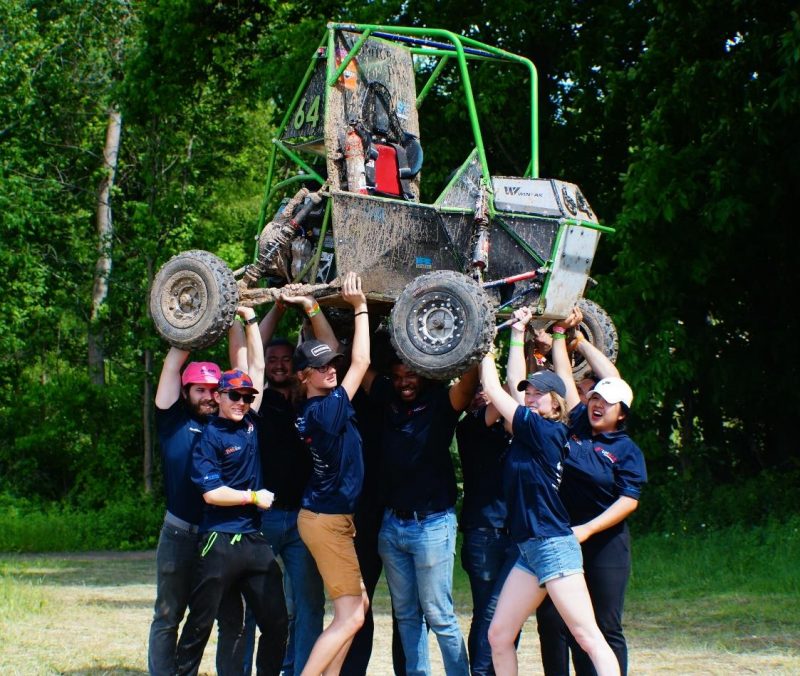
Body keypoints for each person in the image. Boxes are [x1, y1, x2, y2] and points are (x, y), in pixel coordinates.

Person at [480, 307, 620, 676]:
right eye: (530, 392)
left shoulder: (546, 431)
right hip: (530, 546)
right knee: (499, 635)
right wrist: (517, 332)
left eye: (539, 393)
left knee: (588, 637)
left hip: (553, 545)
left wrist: (480, 344)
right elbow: (513, 385)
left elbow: (496, 389)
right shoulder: (527, 432)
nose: (530, 396)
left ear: (556, 402)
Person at [174, 307, 288, 676]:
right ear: (219, 398)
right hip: (219, 541)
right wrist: (253, 497)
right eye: (234, 396)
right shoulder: (208, 438)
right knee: (202, 624)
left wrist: (250, 320)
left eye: (247, 397)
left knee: (276, 624)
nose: (242, 402)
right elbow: (212, 494)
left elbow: (256, 365)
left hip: (254, 541)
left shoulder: (251, 423)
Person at [535, 308, 647, 676]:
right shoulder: (578, 421)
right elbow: (568, 379)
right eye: (595, 397)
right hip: (563, 538)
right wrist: (568, 340)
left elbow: (628, 500)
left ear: (623, 414)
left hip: (605, 545)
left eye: (608, 402)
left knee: (604, 626)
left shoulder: (627, 449)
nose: (598, 403)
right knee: (554, 620)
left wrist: (588, 529)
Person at [360, 355, 477, 676]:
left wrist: (474, 342)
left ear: (423, 375)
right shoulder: (388, 397)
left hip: (432, 525)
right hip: (392, 526)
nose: (403, 382)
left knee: (439, 615)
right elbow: (356, 364)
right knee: (407, 615)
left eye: (410, 374)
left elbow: (468, 383)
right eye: (397, 376)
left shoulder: (441, 402)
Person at [148, 316, 247, 675]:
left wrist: (233, 317)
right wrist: (199, 314)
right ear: (185, 391)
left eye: (212, 390)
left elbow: (243, 369)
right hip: (178, 532)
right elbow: (173, 361)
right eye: (199, 390)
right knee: (167, 615)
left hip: (220, 535)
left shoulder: (230, 422)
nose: (207, 396)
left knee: (230, 618)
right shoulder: (171, 419)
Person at [294, 271, 371, 675]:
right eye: (321, 367)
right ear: (304, 377)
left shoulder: (315, 408)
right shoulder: (325, 411)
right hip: (326, 520)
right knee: (349, 617)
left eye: (331, 365)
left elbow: (343, 356)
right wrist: (360, 308)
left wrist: (313, 309)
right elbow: (361, 360)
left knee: (357, 609)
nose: (331, 369)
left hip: (328, 516)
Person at [456, 388, 515, 676]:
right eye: (475, 390)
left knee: (509, 615)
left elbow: (520, 396)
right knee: (489, 613)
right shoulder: (469, 427)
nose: (481, 394)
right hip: (484, 533)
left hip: (516, 533)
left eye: (485, 389)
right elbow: (510, 394)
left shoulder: (511, 429)